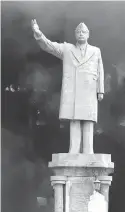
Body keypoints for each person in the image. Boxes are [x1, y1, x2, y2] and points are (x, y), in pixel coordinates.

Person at [31, 19, 104, 154]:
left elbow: (100, 70)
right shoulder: (67, 49)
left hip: (89, 90)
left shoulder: (96, 51)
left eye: (84, 32)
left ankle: (89, 150)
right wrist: (38, 33)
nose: (81, 34)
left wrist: (101, 90)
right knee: (75, 119)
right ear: (75, 35)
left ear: (88, 34)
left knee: (88, 120)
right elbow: (49, 46)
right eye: (78, 32)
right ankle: (74, 149)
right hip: (74, 90)